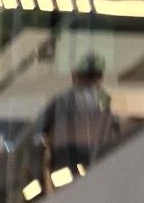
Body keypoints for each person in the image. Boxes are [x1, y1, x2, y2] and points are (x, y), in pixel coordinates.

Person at [39, 50, 118, 189]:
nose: (91, 83)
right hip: (71, 165)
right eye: (89, 77)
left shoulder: (105, 103)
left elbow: (42, 131)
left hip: (86, 166)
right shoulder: (63, 101)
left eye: (93, 77)